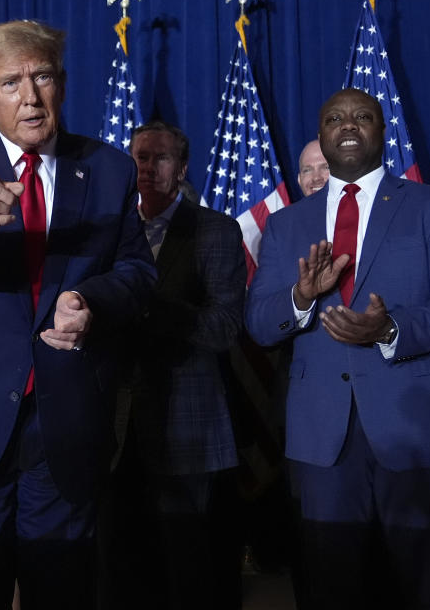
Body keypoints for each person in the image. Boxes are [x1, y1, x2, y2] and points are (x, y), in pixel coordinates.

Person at [0, 20, 155, 609]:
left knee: (60, 587)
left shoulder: (110, 168)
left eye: (42, 77)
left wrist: (93, 302)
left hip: (62, 422)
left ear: (61, 84)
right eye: (11, 83)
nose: (31, 97)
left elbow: (138, 274)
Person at [245, 88, 430, 608]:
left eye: (362, 117)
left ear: (382, 130)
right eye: (333, 118)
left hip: (415, 426)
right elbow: (261, 325)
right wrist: (300, 298)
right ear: (322, 134)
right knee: (331, 585)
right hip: (320, 436)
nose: (347, 125)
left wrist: (389, 329)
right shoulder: (286, 224)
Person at [102, 121, 245, 610]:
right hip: (115, 428)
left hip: (187, 425)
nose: (147, 167)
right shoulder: (112, 231)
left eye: (160, 158)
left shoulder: (215, 230)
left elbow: (225, 328)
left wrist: (147, 303)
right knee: (121, 567)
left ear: (181, 169)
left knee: (187, 569)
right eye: (140, 157)